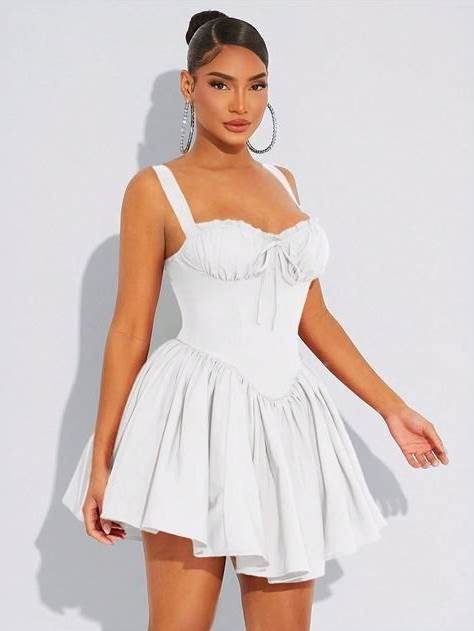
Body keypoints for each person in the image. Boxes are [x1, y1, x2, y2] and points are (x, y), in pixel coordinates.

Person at [62, 10, 449, 631]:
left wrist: (392, 409)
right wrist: (102, 460)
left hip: (286, 423)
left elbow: (311, 314)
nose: (241, 104)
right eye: (220, 84)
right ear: (189, 87)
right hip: (192, 419)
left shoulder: (283, 182)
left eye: (257, 85)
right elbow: (130, 330)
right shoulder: (156, 189)